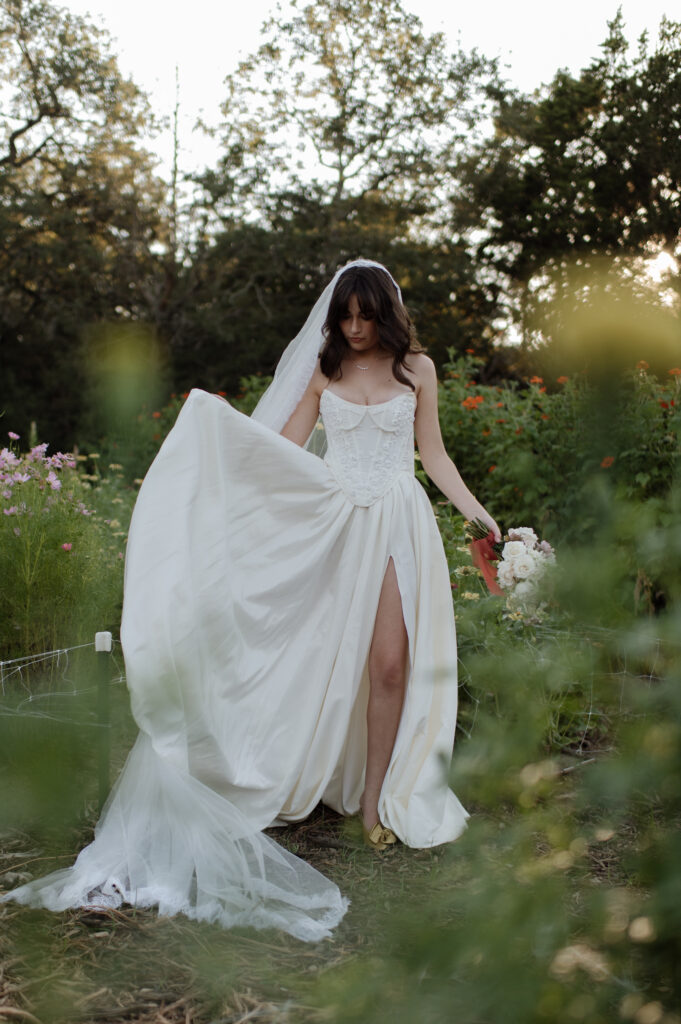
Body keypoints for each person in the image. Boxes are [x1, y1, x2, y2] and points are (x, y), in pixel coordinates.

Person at [2, 259, 500, 943]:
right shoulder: (326, 368)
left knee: (389, 666)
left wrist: (475, 512)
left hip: (394, 523)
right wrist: (219, 439)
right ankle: (278, 766)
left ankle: (376, 806)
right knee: (309, 656)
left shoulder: (418, 370)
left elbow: (433, 454)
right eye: (344, 316)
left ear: (384, 311)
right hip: (330, 522)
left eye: (364, 315)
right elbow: (284, 448)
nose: (353, 328)